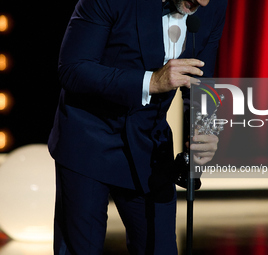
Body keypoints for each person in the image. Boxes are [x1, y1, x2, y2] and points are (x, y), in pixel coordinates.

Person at [48, 0, 228, 254]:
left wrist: (206, 129)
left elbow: (201, 80)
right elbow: (72, 69)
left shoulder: (214, 5)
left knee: (160, 248)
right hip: (89, 137)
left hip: (150, 143)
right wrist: (151, 81)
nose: (203, 2)